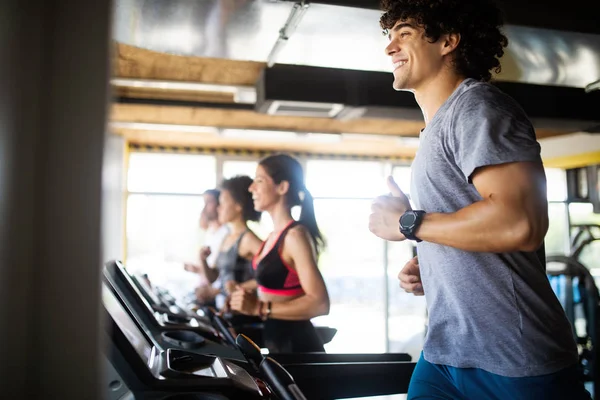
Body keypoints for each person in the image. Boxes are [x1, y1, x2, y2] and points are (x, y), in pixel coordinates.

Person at [368, 0, 590, 399]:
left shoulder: (477, 107)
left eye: (404, 33)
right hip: (444, 352)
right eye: (389, 36)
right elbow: (476, 223)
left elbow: (519, 222)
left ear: (448, 40)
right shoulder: (436, 128)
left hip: (514, 359)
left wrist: (410, 224)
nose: (389, 47)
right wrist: (435, 263)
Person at [229, 153, 330, 353]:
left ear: (282, 187)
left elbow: (319, 303)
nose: (251, 188)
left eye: (259, 180)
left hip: (297, 347)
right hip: (278, 340)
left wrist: (259, 308)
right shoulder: (273, 236)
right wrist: (243, 291)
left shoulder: (294, 236)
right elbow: (277, 283)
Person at [200, 176, 263, 312]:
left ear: (238, 206)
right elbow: (215, 277)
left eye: (222, 203)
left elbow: (274, 276)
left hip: (243, 315)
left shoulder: (248, 239)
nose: (218, 208)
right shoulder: (227, 236)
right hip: (225, 311)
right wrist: (203, 260)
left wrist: (243, 287)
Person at [184, 189, 229, 305]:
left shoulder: (226, 233)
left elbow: (220, 272)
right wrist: (197, 268)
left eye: (209, 202)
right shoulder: (210, 232)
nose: (205, 207)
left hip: (219, 295)